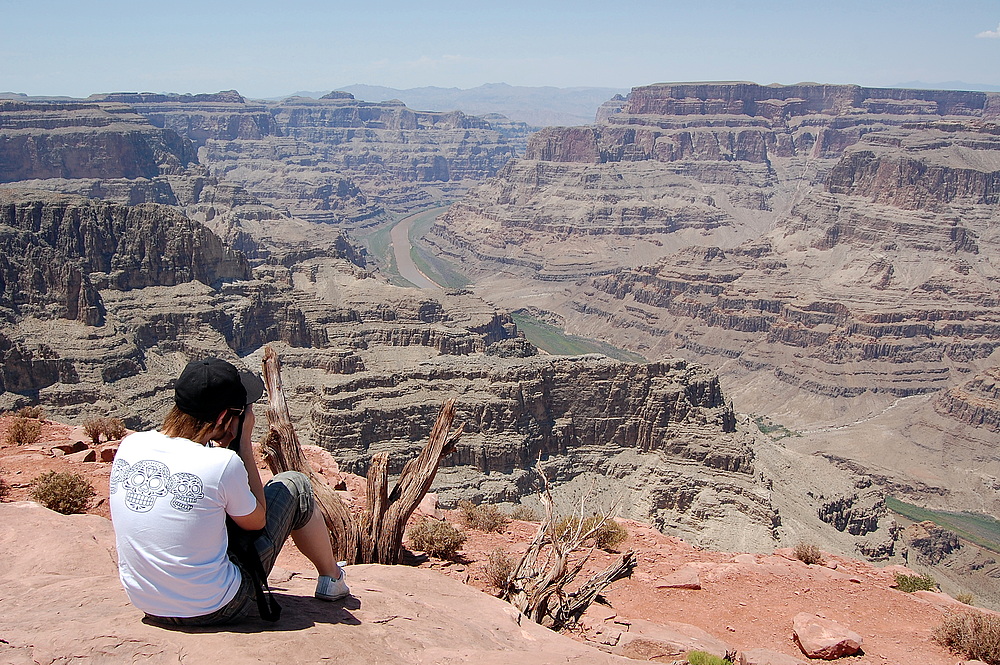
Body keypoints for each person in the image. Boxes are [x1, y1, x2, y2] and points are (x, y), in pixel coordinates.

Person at [109, 357, 348, 626]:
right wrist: (243, 442)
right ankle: (332, 579)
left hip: (148, 604)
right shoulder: (221, 463)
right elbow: (257, 521)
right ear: (224, 416)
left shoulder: (131, 445)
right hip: (216, 607)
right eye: (238, 413)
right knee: (296, 485)